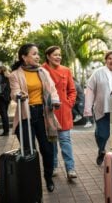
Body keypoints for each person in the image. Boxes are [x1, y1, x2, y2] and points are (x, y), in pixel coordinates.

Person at [9, 43, 60, 192]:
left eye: (38, 54)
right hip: (26, 114)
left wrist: (55, 100)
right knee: (29, 151)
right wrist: (18, 95)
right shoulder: (15, 75)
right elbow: (14, 92)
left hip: (43, 114)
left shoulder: (43, 72)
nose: (37, 56)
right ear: (24, 57)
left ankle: (48, 178)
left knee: (48, 150)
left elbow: (52, 90)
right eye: (34, 54)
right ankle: (32, 182)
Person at [83, 50, 112, 166]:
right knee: (102, 134)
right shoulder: (98, 73)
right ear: (106, 60)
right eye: (110, 58)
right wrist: (88, 108)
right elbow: (90, 90)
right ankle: (102, 151)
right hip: (102, 110)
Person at [42, 46, 78, 181]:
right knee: (52, 141)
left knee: (65, 140)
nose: (58, 57)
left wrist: (69, 103)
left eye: (59, 55)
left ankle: (70, 169)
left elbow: (72, 90)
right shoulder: (42, 70)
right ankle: (54, 166)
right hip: (48, 111)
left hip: (63, 110)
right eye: (55, 55)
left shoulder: (66, 70)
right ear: (48, 56)